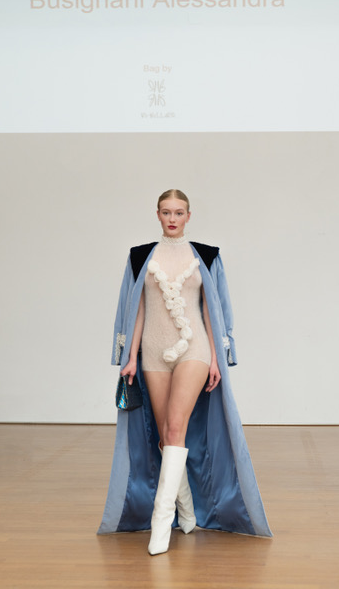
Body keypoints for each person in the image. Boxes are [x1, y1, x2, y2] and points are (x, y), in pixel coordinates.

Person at [97, 189, 272, 555]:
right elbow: (137, 308)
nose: (172, 218)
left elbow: (212, 309)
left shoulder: (206, 255)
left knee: (176, 427)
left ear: (189, 216)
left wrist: (216, 359)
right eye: (166, 212)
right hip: (153, 353)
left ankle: (161, 524)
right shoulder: (140, 256)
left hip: (195, 350)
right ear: (157, 215)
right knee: (165, 435)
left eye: (179, 212)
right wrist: (130, 356)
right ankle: (187, 510)